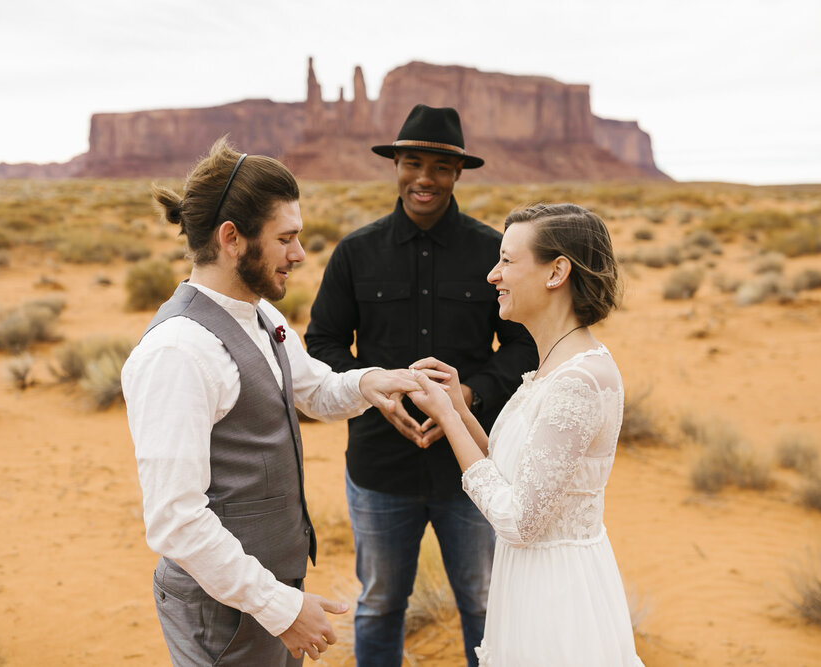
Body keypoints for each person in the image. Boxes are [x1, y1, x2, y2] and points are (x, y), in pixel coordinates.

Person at [121, 137, 421, 666]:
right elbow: (175, 519)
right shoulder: (178, 352)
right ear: (232, 238)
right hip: (224, 610)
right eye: (286, 238)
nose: (300, 255)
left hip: (271, 592)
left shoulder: (264, 317)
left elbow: (313, 390)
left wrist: (372, 381)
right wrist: (279, 607)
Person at [304, 105, 538, 666]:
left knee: (484, 603)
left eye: (439, 166)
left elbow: (528, 346)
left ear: (458, 172)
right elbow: (322, 346)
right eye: (413, 163)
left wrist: (470, 396)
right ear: (396, 167)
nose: (425, 178)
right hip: (379, 469)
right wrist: (372, 392)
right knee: (380, 603)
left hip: (473, 469)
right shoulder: (356, 253)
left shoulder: (493, 253)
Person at [406, 203, 645, 665]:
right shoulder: (553, 366)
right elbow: (506, 468)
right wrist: (457, 403)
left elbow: (518, 521)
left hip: (557, 597)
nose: (493, 276)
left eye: (507, 261)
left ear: (557, 272)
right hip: (529, 581)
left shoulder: (579, 381)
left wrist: (449, 420)